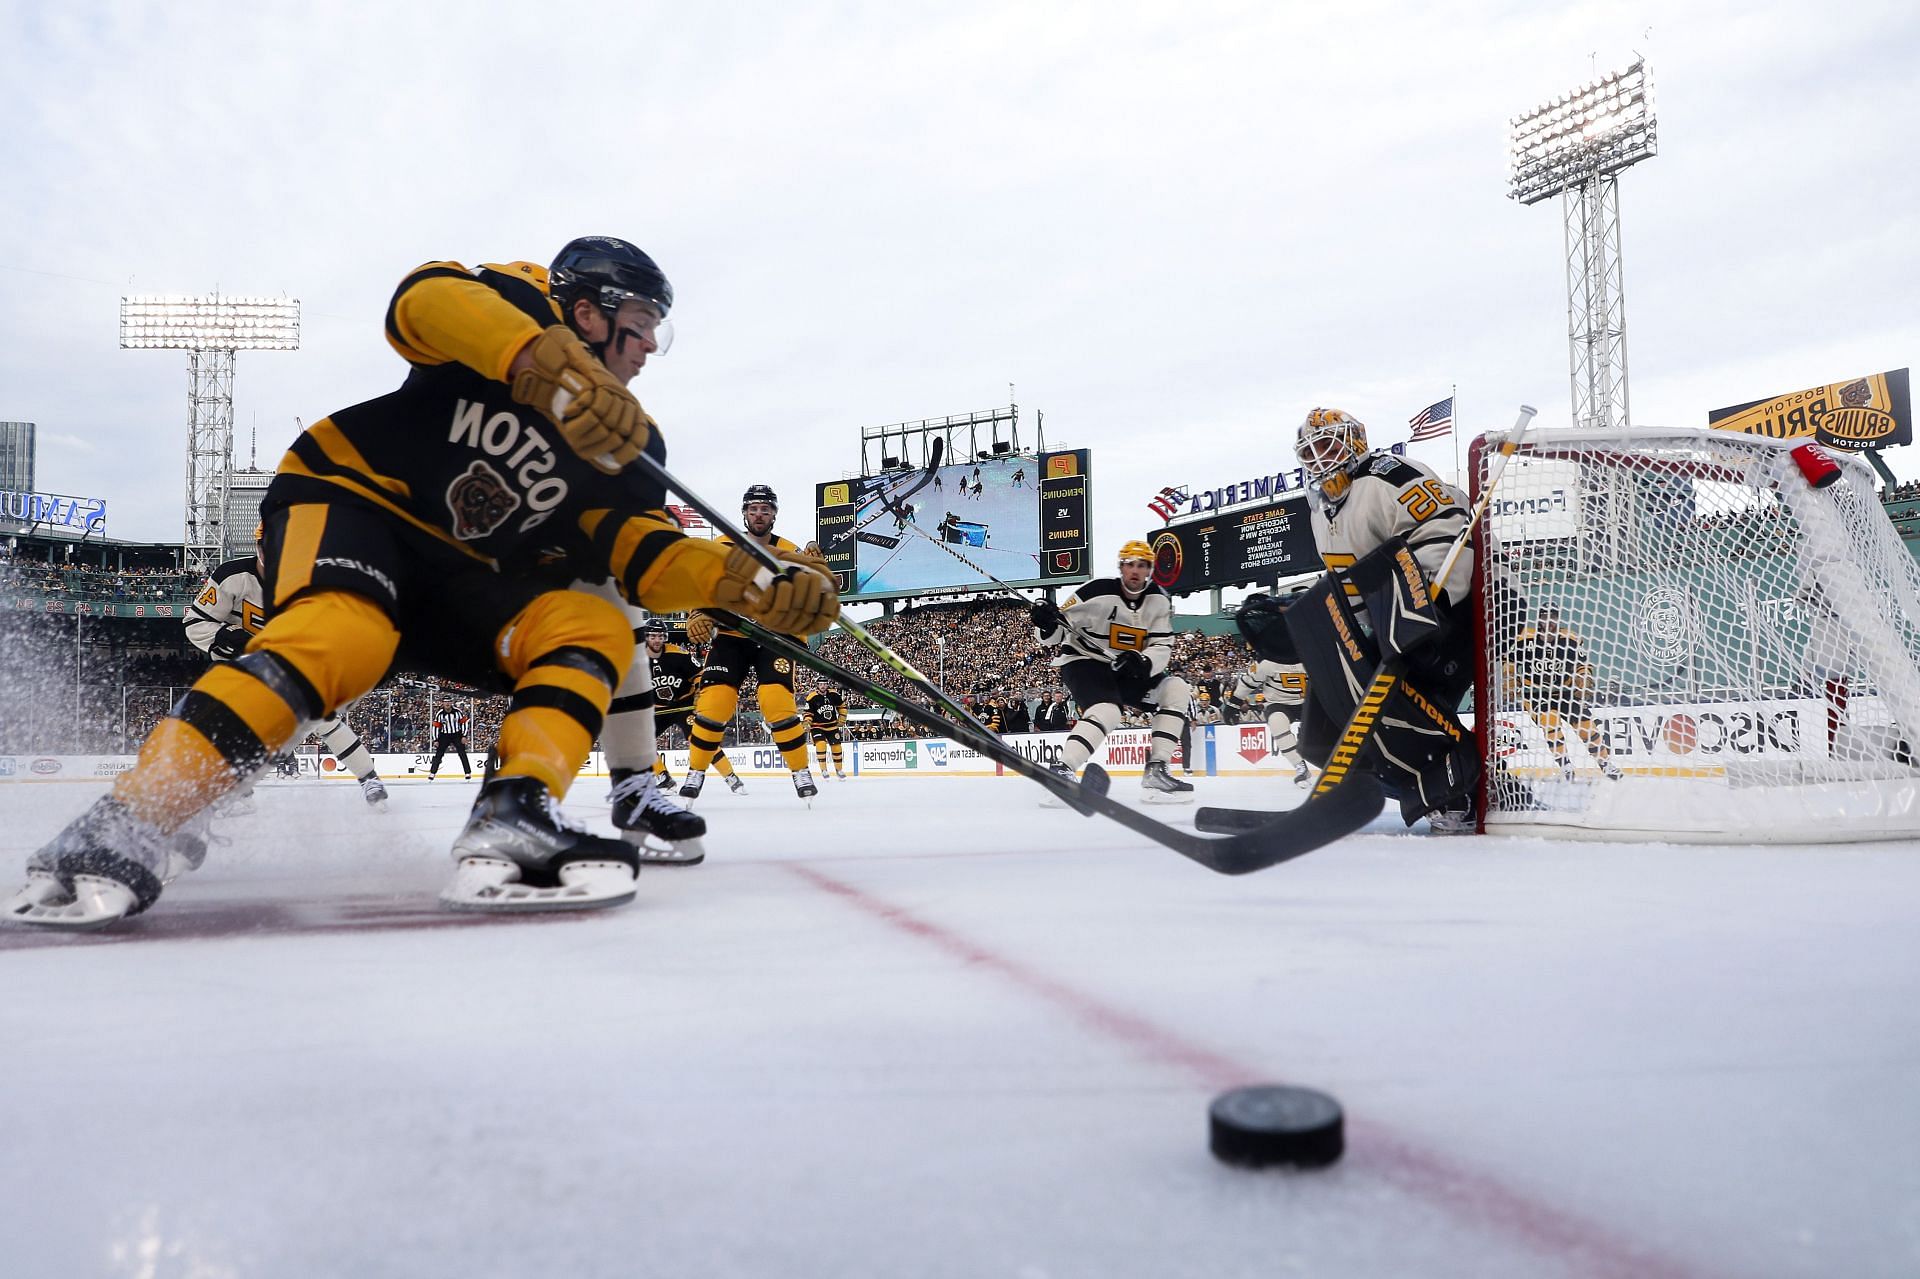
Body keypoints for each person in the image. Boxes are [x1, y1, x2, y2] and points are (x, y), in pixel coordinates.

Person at [8, 236, 838, 928]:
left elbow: (643, 559)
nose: (651, 344)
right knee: (343, 634)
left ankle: (515, 814)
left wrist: (747, 584)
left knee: (593, 626)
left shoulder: (632, 438)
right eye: (641, 322)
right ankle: (129, 816)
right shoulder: (527, 301)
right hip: (357, 500)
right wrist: (542, 363)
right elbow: (418, 302)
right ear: (590, 309)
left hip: (469, 575)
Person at [1241, 407, 1478, 832]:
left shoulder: (1388, 475)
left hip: (1450, 612)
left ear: (1355, 442)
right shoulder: (1319, 509)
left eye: (1327, 445)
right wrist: (1299, 614)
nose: (1318, 459)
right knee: (1321, 732)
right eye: (1309, 453)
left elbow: (1448, 527)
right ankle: (1382, 790)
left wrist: (1424, 606)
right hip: (1393, 624)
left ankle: (1454, 792)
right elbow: (1346, 582)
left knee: (1396, 706)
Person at [184, 526, 389, 810]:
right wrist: (226, 637)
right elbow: (196, 624)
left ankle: (369, 779)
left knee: (322, 718)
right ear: (259, 547)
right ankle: (238, 793)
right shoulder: (231, 577)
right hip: (235, 666)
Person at [680, 486, 825, 804]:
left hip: (775, 635)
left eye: (765, 509)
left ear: (774, 514)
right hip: (733, 633)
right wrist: (697, 612)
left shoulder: (790, 549)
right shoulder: (721, 546)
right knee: (714, 703)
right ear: (744, 514)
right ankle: (696, 772)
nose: (759, 514)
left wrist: (817, 571)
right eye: (753, 509)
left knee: (775, 700)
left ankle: (801, 772)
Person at [1029, 540, 1194, 802]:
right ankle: (1063, 770)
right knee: (1107, 709)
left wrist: (1143, 662)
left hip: (1128, 670)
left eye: (1142, 566)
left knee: (1176, 689)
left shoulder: (1159, 601)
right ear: (1121, 567)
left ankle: (1157, 771)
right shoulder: (1096, 592)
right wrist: (1045, 623)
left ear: (1150, 570)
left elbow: (1162, 645)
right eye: (1130, 565)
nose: (1135, 571)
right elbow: (1056, 632)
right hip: (1084, 661)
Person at [1504, 603, 1622, 780]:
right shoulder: (1524, 639)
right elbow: (1509, 660)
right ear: (1539, 619)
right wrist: (1510, 677)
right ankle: (1565, 765)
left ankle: (1605, 764)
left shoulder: (1571, 639)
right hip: (1536, 694)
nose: (1549, 621)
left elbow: (1583, 664)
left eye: (1553, 617)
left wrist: (1584, 678)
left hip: (1564, 693)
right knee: (1550, 721)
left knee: (1586, 726)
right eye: (1545, 617)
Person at [804, 682, 848, 779]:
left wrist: (842, 717)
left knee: (837, 747)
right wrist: (807, 722)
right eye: (820, 684)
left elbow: (842, 706)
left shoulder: (834, 694)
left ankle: (839, 770)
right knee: (821, 745)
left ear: (827, 685)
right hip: (817, 726)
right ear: (817, 686)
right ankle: (824, 770)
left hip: (832, 726)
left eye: (824, 684)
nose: (823, 686)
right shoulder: (812, 697)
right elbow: (808, 713)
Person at [426, 702, 474, 780]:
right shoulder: (440, 714)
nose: (447, 703)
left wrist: (464, 735)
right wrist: (435, 739)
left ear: (451, 703)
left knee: (462, 753)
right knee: (439, 754)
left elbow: (464, 723)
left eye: (448, 701)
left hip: (457, 734)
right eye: (445, 702)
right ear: (443, 703)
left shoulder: (458, 712)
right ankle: (432, 773)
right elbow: (435, 727)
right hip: (444, 735)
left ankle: (467, 772)